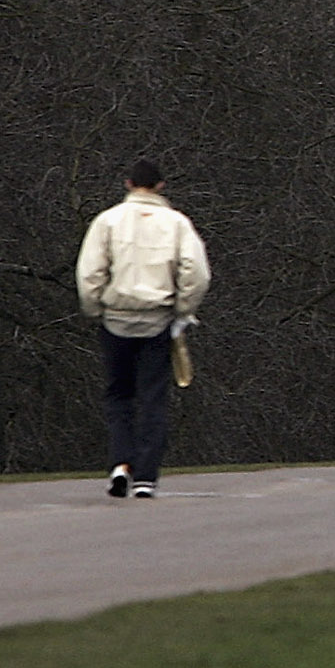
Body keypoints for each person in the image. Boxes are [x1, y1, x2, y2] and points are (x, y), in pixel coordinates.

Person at [74, 158, 211, 499]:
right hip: (158, 320)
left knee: (119, 395)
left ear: (128, 183)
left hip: (116, 318)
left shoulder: (108, 221)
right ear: (161, 186)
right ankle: (146, 476)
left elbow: (90, 272)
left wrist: (94, 308)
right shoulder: (177, 223)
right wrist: (183, 310)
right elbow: (196, 273)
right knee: (153, 399)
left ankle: (121, 464)